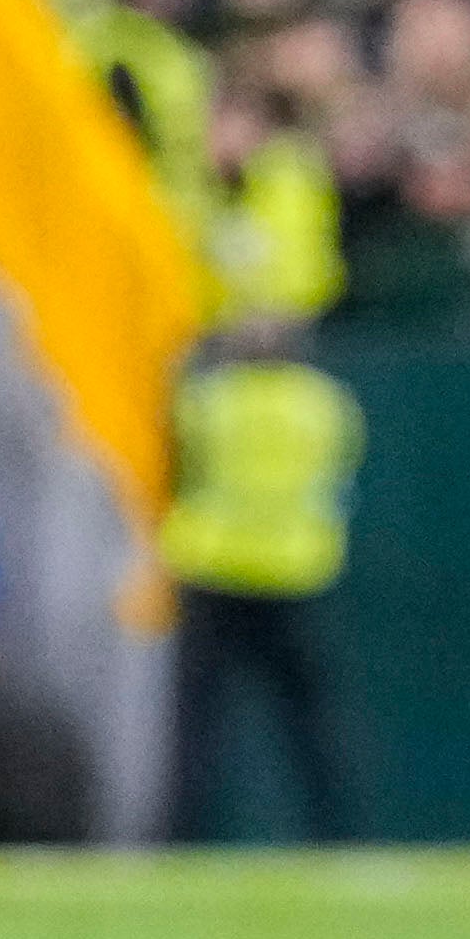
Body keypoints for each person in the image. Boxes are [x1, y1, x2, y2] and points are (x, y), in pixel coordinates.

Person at [161, 314, 365, 843]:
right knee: (311, 723)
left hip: (212, 570)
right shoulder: (324, 404)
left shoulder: (209, 401)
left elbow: (178, 467)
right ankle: (338, 836)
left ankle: (178, 836)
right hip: (294, 571)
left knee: (197, 723)